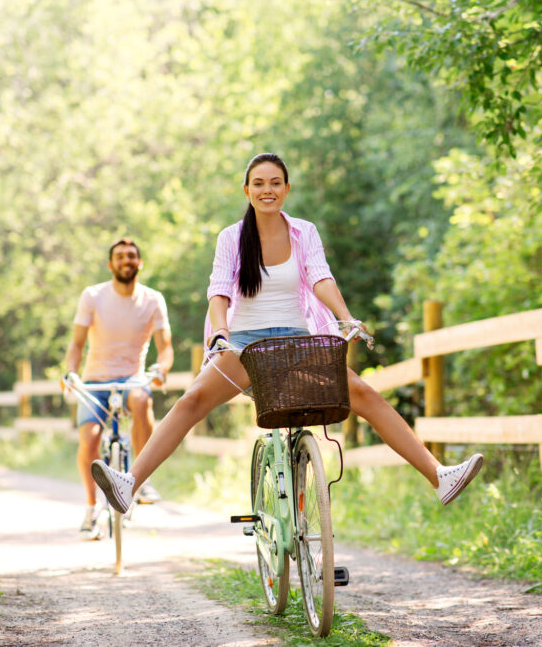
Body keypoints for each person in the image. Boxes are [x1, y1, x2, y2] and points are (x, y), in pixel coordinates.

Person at [91, 153, 482, 515]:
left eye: (275, 183)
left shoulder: (303, 232)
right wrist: (221, 333)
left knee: (361, 392)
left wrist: (345, 317)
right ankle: (130, 483)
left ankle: (439, 476)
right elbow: (219, 291)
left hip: (297, 340)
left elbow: (320, 277)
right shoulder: (231, 237)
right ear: (247, 190)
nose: (267, 190)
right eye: (258, 183)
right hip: (245, 345)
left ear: (287, 189)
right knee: (192, 400)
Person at [64, 237, 174, 540]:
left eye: (131, 256)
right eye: (120, 256)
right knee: (90, 441)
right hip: (95, 381)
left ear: (139, 263)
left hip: (132, 380)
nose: (126, 260)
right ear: (111, 264)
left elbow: (166, 349)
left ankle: (141, 478)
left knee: (141, 400)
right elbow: (76, 344)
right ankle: (90, 508)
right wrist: (71, 374)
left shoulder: (153, 299)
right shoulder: (92, 296)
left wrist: (159, 369)